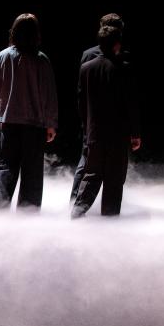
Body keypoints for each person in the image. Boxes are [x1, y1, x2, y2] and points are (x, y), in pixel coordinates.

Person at [0, 13, 58, 211]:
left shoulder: (1, 57)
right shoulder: (41, 60)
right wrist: (51, 124)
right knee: (32, 174)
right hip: (34, 126)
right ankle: (28, 217)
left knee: (5, 169)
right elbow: (49, 96)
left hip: (9, 124)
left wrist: (3, 111)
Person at [71, 24, 141, 218]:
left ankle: (76, 214)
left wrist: (87, 127)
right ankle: (109, 222)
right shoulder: (124, 69)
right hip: (118, 135)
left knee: (91, 176)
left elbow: (81, 102)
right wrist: (135, 133)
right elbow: (131, 104)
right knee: (114, 180)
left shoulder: (86, 68)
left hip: (94, 133)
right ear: (117, 44)